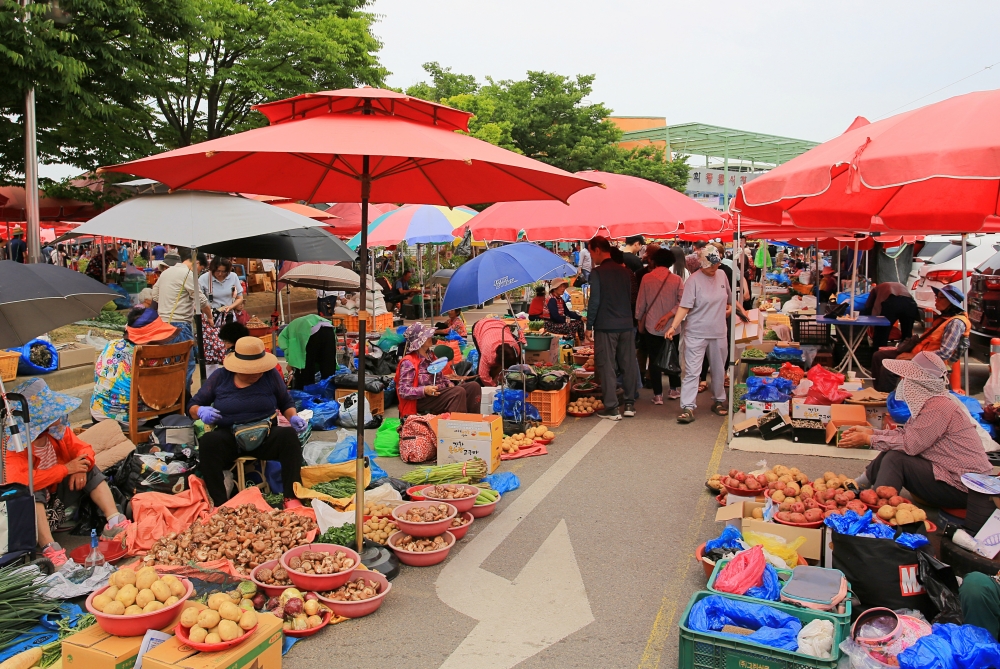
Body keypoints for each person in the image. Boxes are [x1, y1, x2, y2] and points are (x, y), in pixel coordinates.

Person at [839, 352, 992, 514]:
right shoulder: (930, 404)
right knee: (893, 450)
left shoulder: (938, 408)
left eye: (907, 379)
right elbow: (905, 435)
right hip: (952, 477)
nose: (902, 382)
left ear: (920, 382)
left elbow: (909, 445)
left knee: (897, 459)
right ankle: (858, 487)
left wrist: (868, 439)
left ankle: (879, 513)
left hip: (964, 488)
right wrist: (871, 432)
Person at [5, 378, 131, 568]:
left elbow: (85, 449)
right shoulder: (13, 445)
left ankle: (114, 521)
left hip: (58, 498)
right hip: (33, 511)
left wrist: (81, 467)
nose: (59, 415)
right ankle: (49, 547)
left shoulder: (57, 431)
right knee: (34, 490)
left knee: (90, 469)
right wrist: (66, 469)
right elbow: (21, 481)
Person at [189, 337, 308, 507]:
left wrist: (293, 417)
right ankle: (220, 504)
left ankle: (291, 497)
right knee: (208, 442)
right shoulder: (220, 377)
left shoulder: (270, 375)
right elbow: (192, 406)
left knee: (288, 436)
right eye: (250, 370)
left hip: (265, 435)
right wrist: (200, 411)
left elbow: (285, 402)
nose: (256, 374)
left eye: (259, 369)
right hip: (231, 437)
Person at [666, 246, 747, 424]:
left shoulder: (722, 276)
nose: (714, 267)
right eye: (710, 264)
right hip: (696, 332)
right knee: (693, 371)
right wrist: (674, 326)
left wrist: (740, 311)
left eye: (716, 263)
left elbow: (729, 300)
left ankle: (719, 401)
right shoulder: (693, 281)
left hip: (718, 332)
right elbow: (685, 306)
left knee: (719, 370)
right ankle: (687, 407)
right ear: (702, 264)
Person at [871, 285, 970, 393]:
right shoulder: (944, 318)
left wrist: (914, 357)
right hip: (919, 355)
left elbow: (945, 353)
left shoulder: (956, 323)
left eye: (940, 297)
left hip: (932, 364)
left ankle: (885, 400)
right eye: (937, 296)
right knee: (879, 356)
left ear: (951, 303)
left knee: (889, 367)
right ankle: (878, 394)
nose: (936, 300)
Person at [91, 308, 179, 425]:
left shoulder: (111, 345)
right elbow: (162, 394)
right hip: (132, 420)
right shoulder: (152, 358)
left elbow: (97, 377)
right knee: (179, 395)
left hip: (99, 414)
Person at [586, 237, 638, 420]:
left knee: (607, 366)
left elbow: (595, 301)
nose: (592, 256)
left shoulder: (597, 273)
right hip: (626, 324)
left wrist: (589, 325)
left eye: (591, 252)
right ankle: (630, 404)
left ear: (598, 250)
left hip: (606, 325)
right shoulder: (625, 272)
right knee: (628, 364)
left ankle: (612, 408)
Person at [151, 246, 212, 396]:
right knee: (185, 364)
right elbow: (201, 300)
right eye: (201, 269)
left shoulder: (167, 272)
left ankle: (167, 398)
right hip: (179, 326)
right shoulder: (186, 274)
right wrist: (209, 316)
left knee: (168, 364)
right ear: (197, 263)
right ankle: (181, 399)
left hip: (162, 325)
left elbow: (155, 294)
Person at [395, 323, 481, 418]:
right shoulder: (408, 362)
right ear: (420, 341)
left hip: (438, 393)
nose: (430, 337)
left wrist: (448, 382)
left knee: (474, 386)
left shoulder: (431, 355)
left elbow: (440, 376)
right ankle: (456, 427)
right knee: (458, 392)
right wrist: (424, 390)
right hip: (422, 400)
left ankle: (473, 421)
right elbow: (403, 391)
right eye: (426, 336)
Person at [636, 247, 684, 404]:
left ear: (654, 261)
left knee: (654, 359)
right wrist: (669, 315)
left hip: (651, 325)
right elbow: (682, 303)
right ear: (671, 262)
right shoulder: (677, 279)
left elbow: (641, 303)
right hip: (673, 327)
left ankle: (657, 395)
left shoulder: (646, 278)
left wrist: (638, 319)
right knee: (672, 356)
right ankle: (673, 389)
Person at [861, 282, 920, 350]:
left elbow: (868, 305)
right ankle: (905, 354)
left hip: (891, 303)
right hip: (910, 304)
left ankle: (878, 354)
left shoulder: (876, 289)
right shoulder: (900, 285)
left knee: (881, 333)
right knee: (907, 336)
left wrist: (868, 318)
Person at [199, 256, 244, 325]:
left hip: (228, 315)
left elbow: (240, 298)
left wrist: (230, 307)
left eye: (223, 271)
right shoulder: (204, 278)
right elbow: (198, 300)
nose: (220, 274)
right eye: (217, 271)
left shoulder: (233, 276)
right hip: (211, 316)